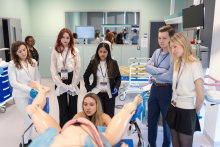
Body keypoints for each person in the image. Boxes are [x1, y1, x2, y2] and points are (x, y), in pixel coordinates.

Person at [26, 80, 142, 147]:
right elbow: (113, 129)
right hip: (95, 136)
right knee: (126, 113)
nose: (88, 108)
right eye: (85, 104)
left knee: (32, 109)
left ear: (97, 106)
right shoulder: (80, 116)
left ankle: (41, 90)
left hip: (59, 135)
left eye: (91, 105)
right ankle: (134, 103)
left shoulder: (103, 117)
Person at [165, 32, 204, 147]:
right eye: (171, 47)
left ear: (183, 44)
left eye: (175, 46)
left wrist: (193, 113)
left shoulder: (195, 64)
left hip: (187, 110)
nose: (173, 50)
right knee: (175, 143)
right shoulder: (178, 62)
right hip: (174, 107)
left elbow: (200, 97)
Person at [145, 25, 175, 147]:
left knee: (167, 122)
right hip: (155, 88)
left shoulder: (174, 55)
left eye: (164, 38)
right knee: (151, 120)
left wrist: (155, 70)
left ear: (170, 39)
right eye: (159, 38)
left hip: (167, 89)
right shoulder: (156, 52)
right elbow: (147, 67)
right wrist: (162, 70)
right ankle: (151, 144)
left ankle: (166, 144)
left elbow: (169, 77)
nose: (161, 41)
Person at [8, 41, 41, 147]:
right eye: (20, 51)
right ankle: (23, 143)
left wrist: (37, 89)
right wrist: (29, 89)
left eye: (24, 49)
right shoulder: (12, 64)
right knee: (28, 119)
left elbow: (37, 77)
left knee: (32, 118)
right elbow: (13, 82)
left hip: (33, 95)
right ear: (15, 53)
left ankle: (28, 139)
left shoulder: (33, 62)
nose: (23, 53)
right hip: (20, 96)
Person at [51, 28, 81, 128]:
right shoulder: (55, 51)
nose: (65, 39)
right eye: (63, 37)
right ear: (59, 38)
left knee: (73, 107)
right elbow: (53, 68)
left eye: (67, 38)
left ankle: (73, 128)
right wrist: (60, 84)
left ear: (70, 39)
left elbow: (78, 68)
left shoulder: (75, 51)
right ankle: (64, 129)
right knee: (62, 107)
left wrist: (73, 84)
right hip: (60, 79)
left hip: (73, 78)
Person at [83, 43, 121, 118]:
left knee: (109, 116)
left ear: (108, 52)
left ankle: (108, 130)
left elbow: (118, 78)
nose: (102, 54)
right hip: (97, 93)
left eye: (105, 52)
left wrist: (116, 87)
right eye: (100, 51)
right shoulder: (93, 63)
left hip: (110, 93)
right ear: (97, 52)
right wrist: (89, 88)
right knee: (98, 116)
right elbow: (85, 76)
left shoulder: (113, 63)